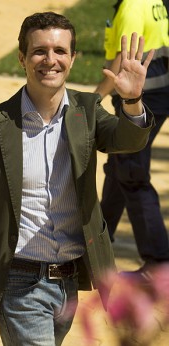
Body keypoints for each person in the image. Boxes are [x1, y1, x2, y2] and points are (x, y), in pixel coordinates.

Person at [0, 12, 156, 346]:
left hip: (68, 283)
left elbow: (128, 140)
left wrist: (132, 100)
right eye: (39, 51)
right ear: (22, 58)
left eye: (60, 51)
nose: (50, 60)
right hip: (17, 283)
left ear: (72, 58)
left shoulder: (87, 110)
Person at [95, 0, 169, 273]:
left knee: (131, 173)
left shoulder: (132, 7)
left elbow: (121, 61)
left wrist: (94, 98)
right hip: (158, 93)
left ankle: (159, 261)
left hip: (138, 98)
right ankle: (96, 245)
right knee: (120, 168)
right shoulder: (152, 1)